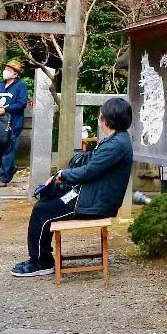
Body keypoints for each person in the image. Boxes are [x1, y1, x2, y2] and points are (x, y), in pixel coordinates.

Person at [12, 96, 133, 277]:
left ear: (106, 120)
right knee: (45, 205)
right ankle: (40, 258)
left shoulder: (116, 144)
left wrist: (61, 175)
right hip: (90, 196)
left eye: (101, 113)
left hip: (94, 203)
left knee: (42, 211)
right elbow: (91, 166)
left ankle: (41, 261)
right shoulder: (118, 139)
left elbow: (88, 171)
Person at [0, 59, 29, 188]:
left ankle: (3, 178)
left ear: (16, 74)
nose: (5, 72)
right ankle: (10, 168)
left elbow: (22, 103)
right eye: (5, 69)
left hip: (13, 123)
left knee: (9, 149)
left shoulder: (20, 86)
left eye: (9, 70)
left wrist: (5, 109)